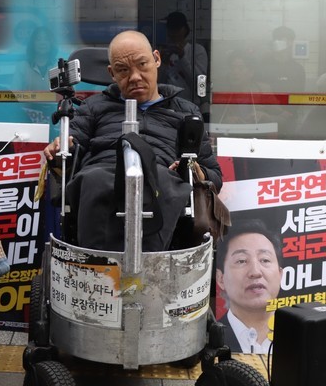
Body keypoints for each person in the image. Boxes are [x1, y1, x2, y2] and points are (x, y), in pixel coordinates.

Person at [43, 30, 221, 252]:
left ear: (156, 59)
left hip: (161, 175)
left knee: (165, 182)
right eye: (123, 70)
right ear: (112, 73)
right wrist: (61, 147)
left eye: (142, 64)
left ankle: (152, 265)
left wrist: (195, 171)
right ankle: (99, 262)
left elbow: (215, 175)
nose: (135, 76)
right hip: (103, 170)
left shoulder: (185, 112)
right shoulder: (94, 107)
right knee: (92, 179)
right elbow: (72, 146)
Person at [215, 219, 283, 354]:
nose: (255, 272)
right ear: (220, 278)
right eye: (241, 261)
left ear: (280, 274)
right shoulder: (208, 339)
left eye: (265, 260)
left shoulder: (300, 336)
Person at [157, 11, 209, 104]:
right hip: (167, 104)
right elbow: (157, 83)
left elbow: (200, 84)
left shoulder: (197, 50)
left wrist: (182, 56)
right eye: (170, 29)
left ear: (185, 29)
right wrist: (163, 63)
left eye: (176, 29)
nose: (173, 33)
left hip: (190, 104)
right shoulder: (165, 52)